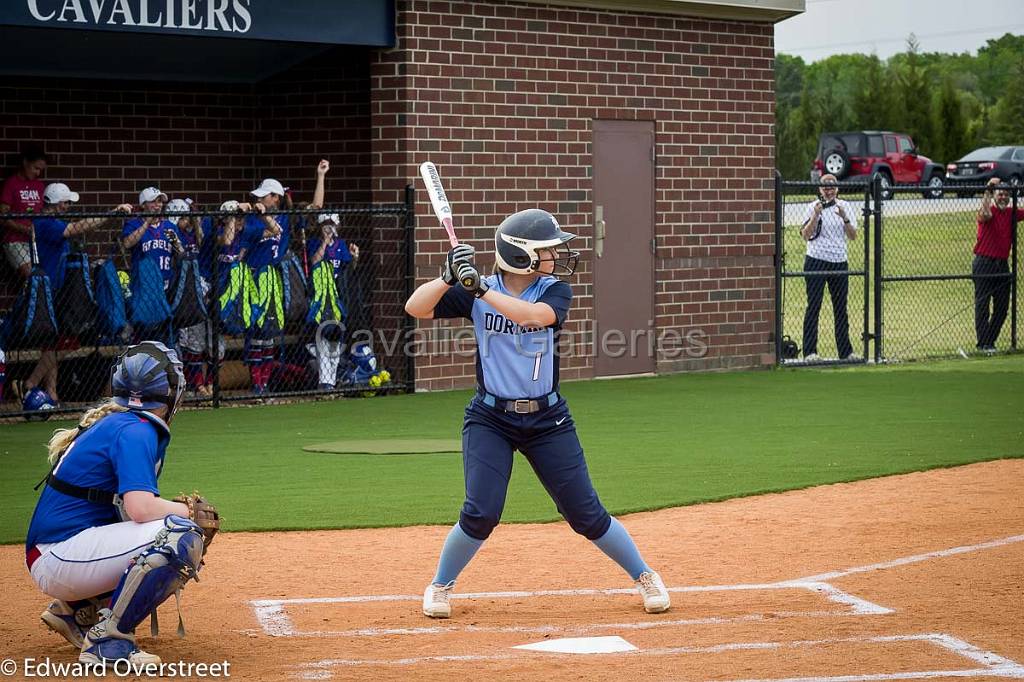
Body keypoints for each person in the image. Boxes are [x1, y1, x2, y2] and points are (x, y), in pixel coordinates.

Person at [404, 208, 670, 618]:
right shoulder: (481, 289)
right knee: (481, 510)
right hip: (490, 418)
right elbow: (415, 308)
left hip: (548, 421)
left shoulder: (553, 290)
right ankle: (440, 585)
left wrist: (478, 289)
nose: (555, 255)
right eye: (546, 249)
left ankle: (644, 574)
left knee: (585, 512)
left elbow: (531, 317)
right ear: (521, 255)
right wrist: (447, 278)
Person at [25, 341, 218, 666]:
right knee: (180, 534)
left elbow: (124, 511)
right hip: (60, 556)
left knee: (168, 528)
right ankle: (108, 640)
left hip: (59, 552)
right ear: (171, 394)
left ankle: (77, 612)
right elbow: (140, 508)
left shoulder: (122, 422)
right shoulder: (137, 430)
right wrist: (186, 512)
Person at [22, 184, 132, 405]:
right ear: (55, 202)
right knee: (58, 342)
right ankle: (31, 383)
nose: (68, 206)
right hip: (50, 289)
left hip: (61, 288)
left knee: (54, 343)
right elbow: (77, 228)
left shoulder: (55, 221)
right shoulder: (46, 223)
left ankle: (51, 392)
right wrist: (112, 215)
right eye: (65, 202)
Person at [240, 162, 328, 395]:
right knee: (255, 332)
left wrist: (320, 175)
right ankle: (256, 383)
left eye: (266, 197)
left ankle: (265, 383)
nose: (261, 200)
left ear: (276, 198)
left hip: (275, 280)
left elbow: (316, 207)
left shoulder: (287, 217)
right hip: (253, 277)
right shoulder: (252, 219)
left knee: (270, 333)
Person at [799, 174, 859, 362]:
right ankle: (810, 352)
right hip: (816, 260)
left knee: (840, 308)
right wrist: (816, 215)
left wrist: (845, 218)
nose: (829, 190)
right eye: (825, 187)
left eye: (832, 187)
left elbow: (853, 236)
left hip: (839, 262)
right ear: (819, 189)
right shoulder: (812, 207)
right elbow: (805, 235)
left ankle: (846, 352)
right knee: (814, 306)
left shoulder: (845, 207)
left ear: (837, 189)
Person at [973, 177, 1022, 353]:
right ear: (994, 195)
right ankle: (983, 344)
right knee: (983, 306)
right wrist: (987, 190)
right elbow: (984, 215)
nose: (1003, 197)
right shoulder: (989, 210)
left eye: (1006, 194)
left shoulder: (1011, 213)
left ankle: (989, 342)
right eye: (1000, 194)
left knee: (1002, 308)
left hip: (1002, 266)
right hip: (984, 263)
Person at [0, 146, 48, 280]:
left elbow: (40, 211)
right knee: (33, 277)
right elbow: (2, 216)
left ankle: (32, 300)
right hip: (15, 241)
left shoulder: (39, 186)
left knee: (42, 278)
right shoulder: (11, 184)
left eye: (41, 170)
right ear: (25, 162)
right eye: (35, 168)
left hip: (35, 241)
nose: (38, 173)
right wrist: (24, 229)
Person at [122, 187, 177, 286]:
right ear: (143, 205)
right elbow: (126, 243)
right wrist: (147, 222)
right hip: (142, 283)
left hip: (166, 283)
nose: (158, 205)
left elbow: (180, 252)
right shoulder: (134, 224)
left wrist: (177, 243)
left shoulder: (169, 226)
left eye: (159, 201)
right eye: (153, 201)